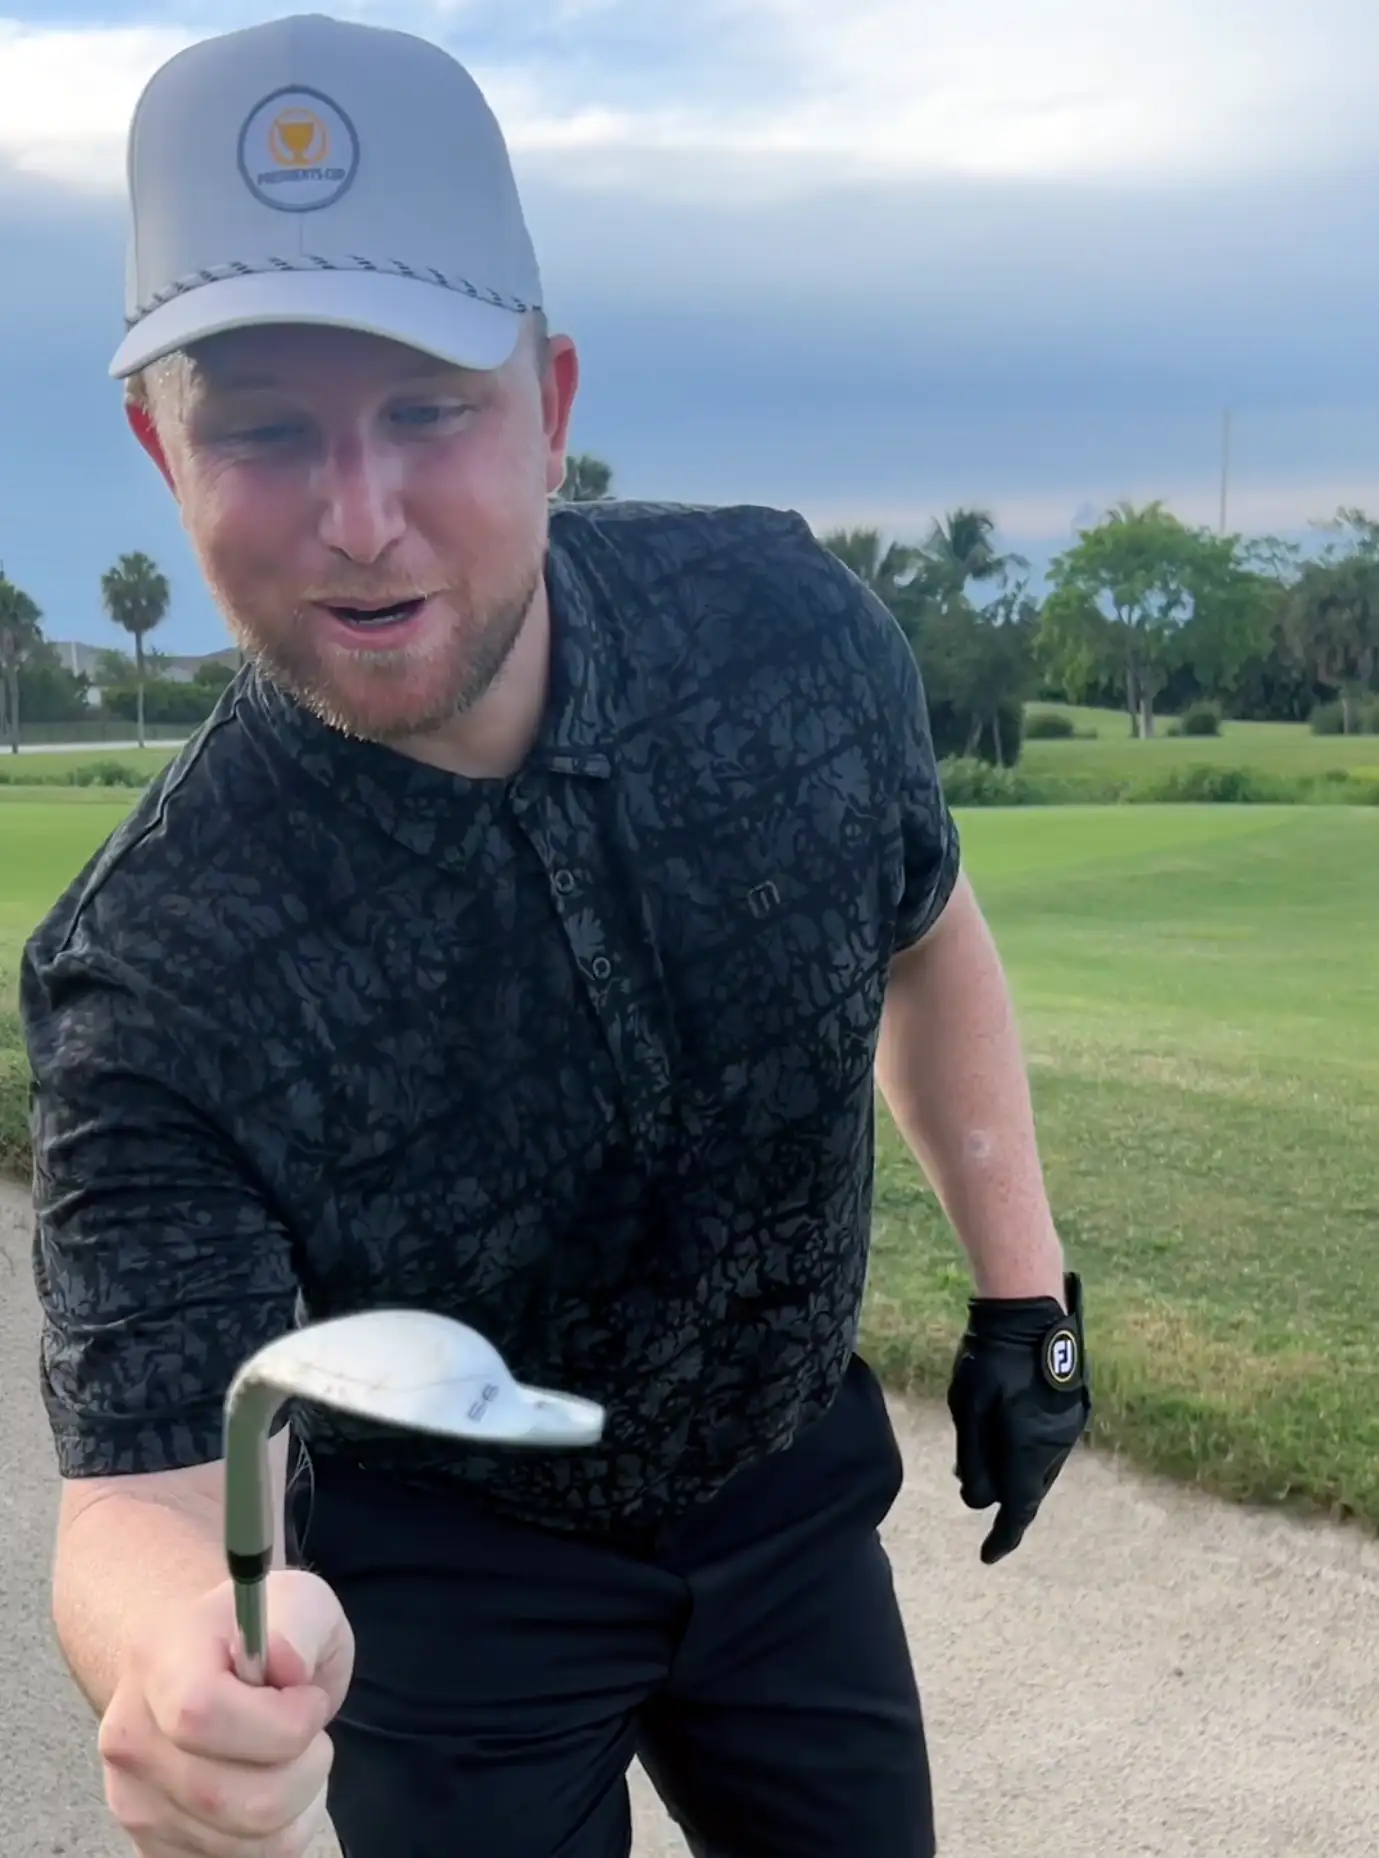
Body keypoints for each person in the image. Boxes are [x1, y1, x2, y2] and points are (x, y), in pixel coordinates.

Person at [21, 13, 1091, 1858]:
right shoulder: (154, 967)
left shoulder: (783, 631)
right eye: (265, 429)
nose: (360, 520)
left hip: (781, 1496)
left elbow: (922, 929)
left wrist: (1029, 1304)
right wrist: (171, 1649)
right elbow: (137, 1494)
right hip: (448, 1588)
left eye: (428, 408)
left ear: (552, 403)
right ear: (159, 447)